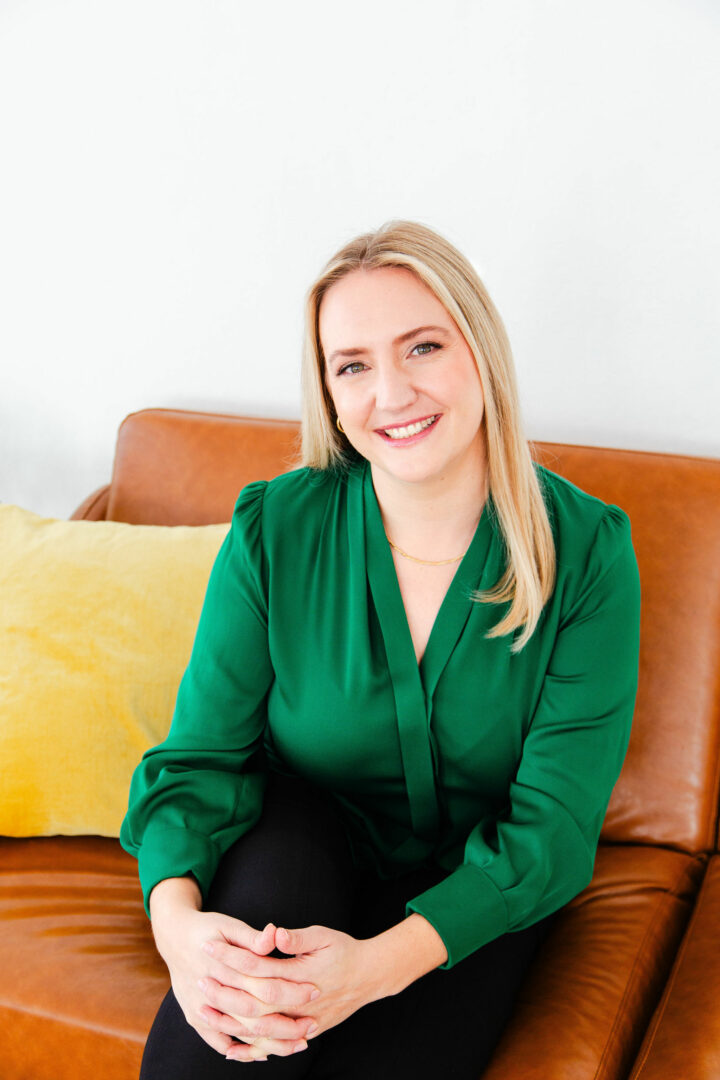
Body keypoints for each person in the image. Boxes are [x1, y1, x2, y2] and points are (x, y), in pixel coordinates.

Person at [119, 219, 642, 1077]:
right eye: (352, 365)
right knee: (229, 1036)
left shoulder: (586, 553)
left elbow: (550, 830)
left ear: (479, 349)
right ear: (328, 393)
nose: (391, 394)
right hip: (299, 833)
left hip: (477, 884)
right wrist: (179, 933)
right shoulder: (274, 529)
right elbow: (199, 761)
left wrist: (372, 970)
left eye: (423, 346)